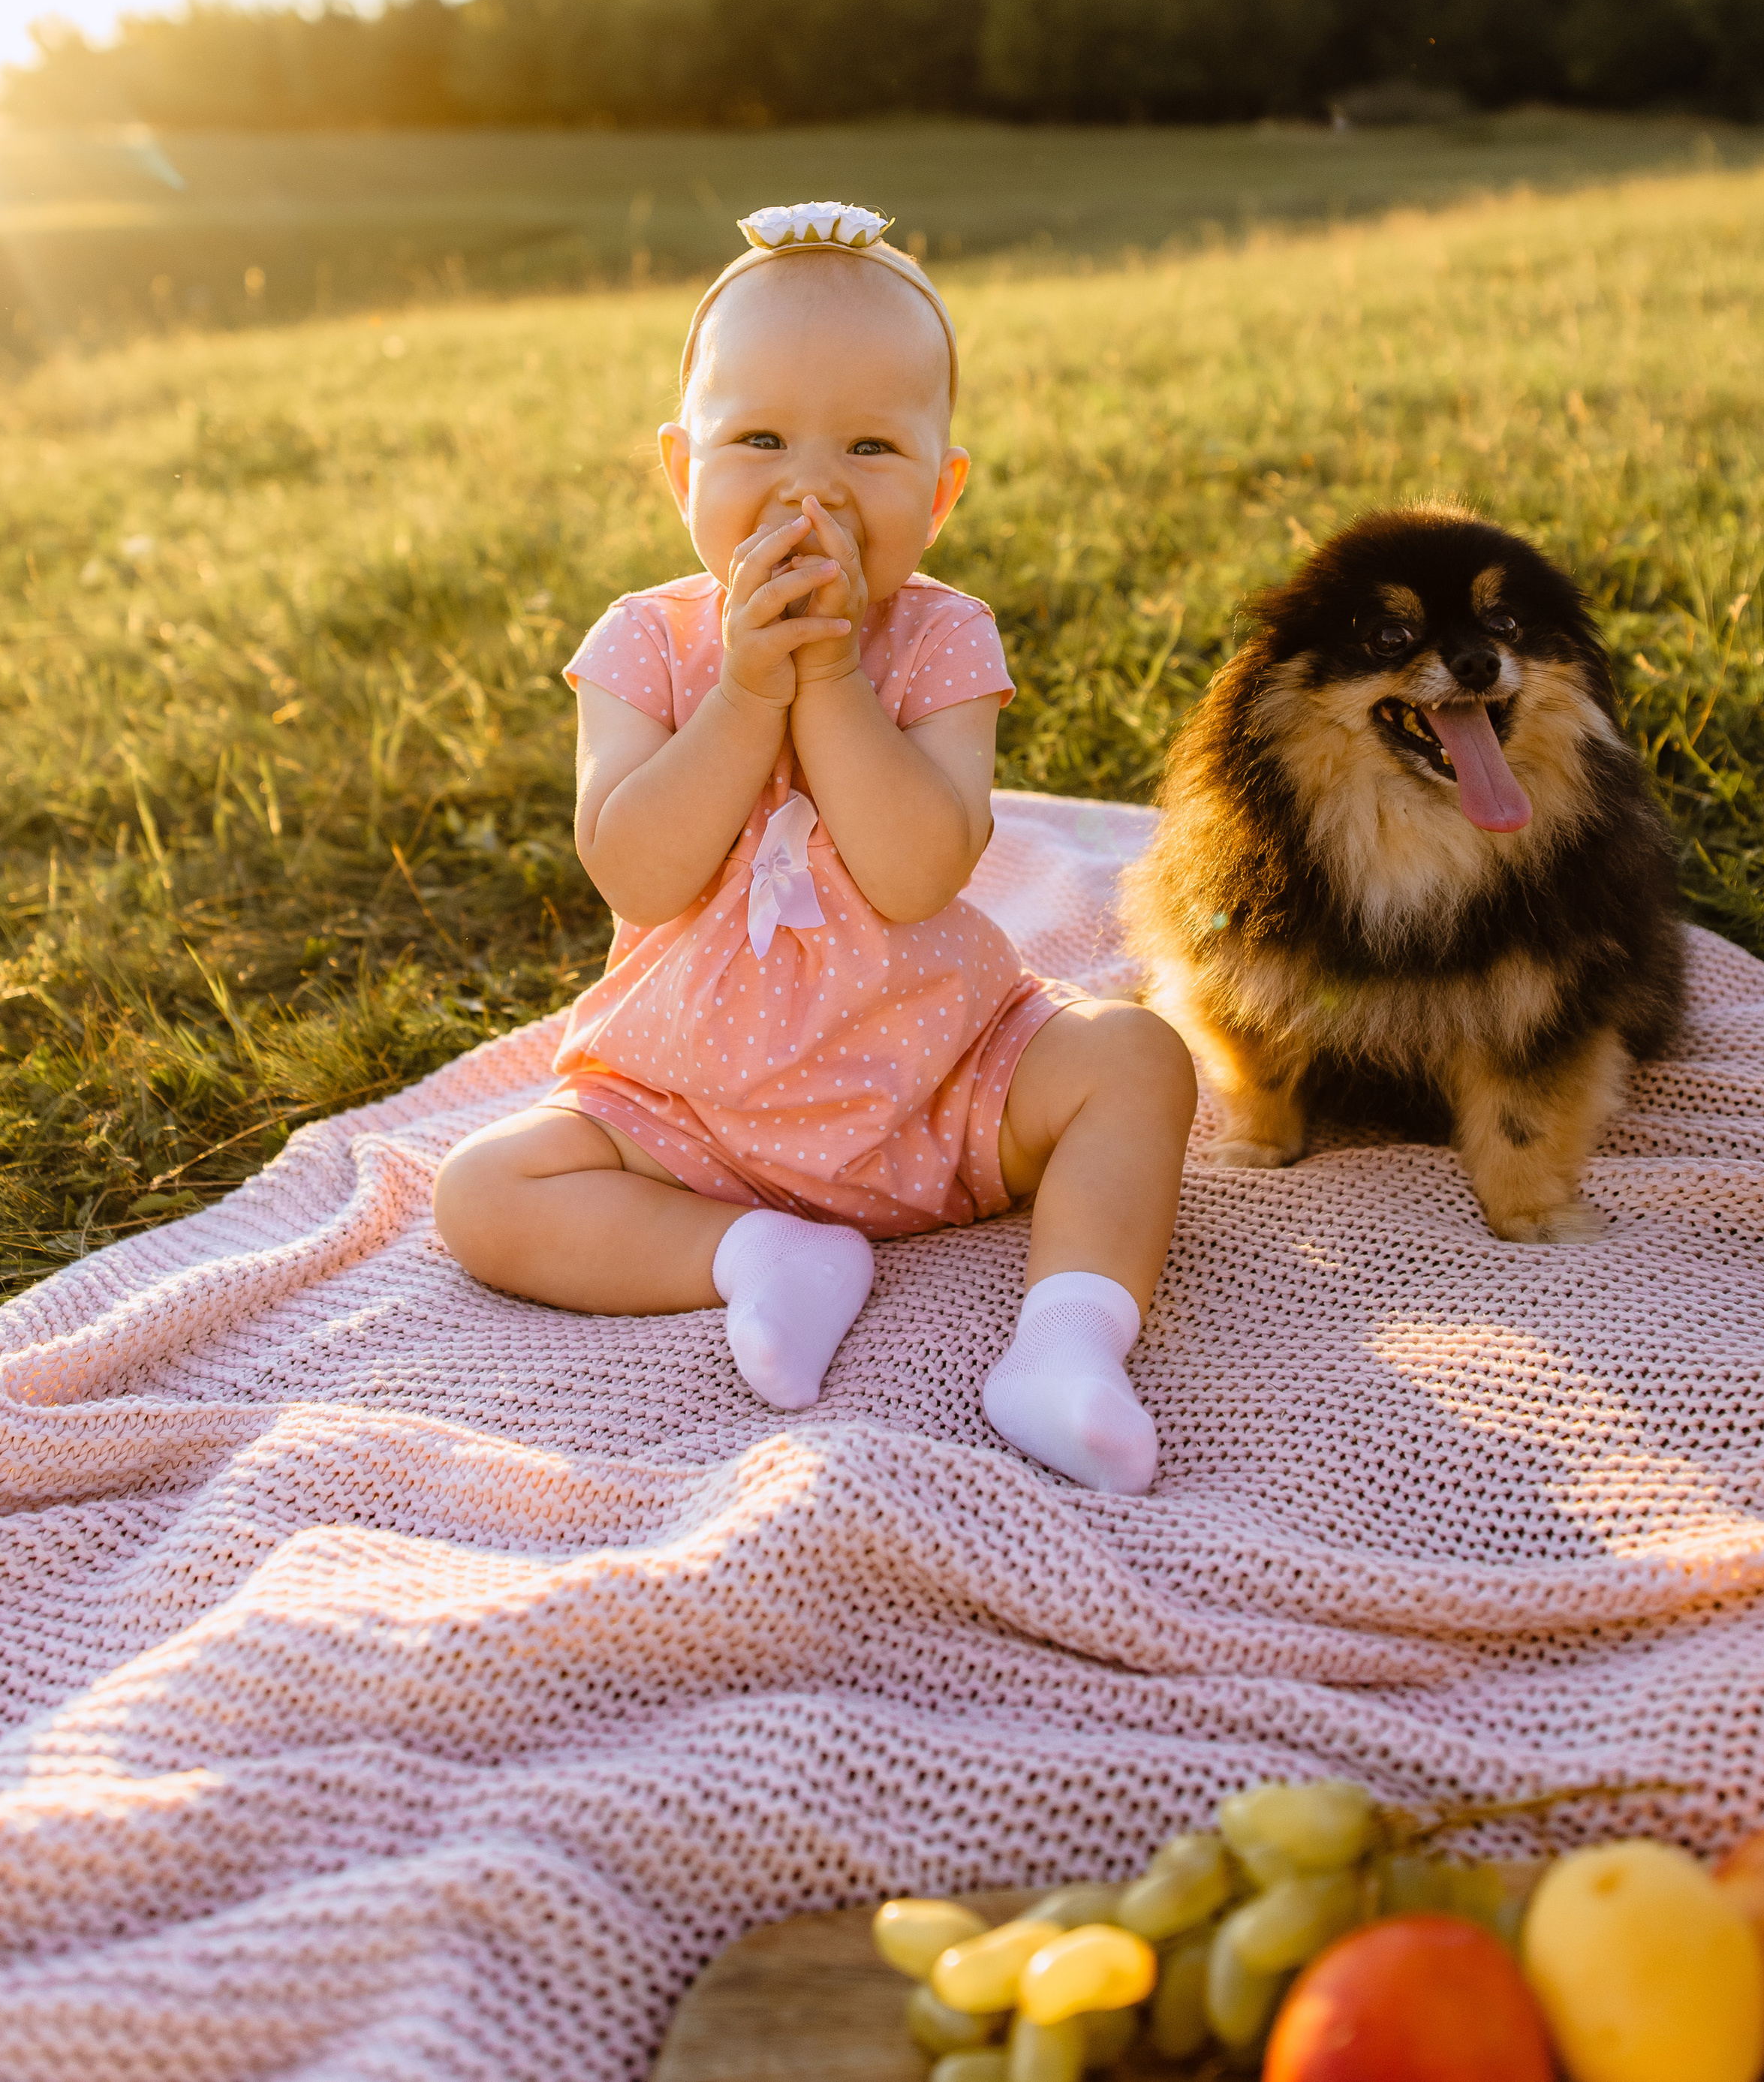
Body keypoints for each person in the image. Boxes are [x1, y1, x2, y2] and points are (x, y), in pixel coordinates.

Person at [433, 202, 1195, 1492]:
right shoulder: (644, 644)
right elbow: (637, 870)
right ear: (682, 470)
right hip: (689, 1110)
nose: (812, 486)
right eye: (762, 439)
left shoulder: (945, 639)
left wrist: (832, 680)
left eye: (871, 444)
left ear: (942, 489)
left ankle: (1067, 1344)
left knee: (1136, 1058)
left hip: (940, 1084)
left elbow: (916, 871)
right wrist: (741, 695)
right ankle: (750, 1254)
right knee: (483, 1191)